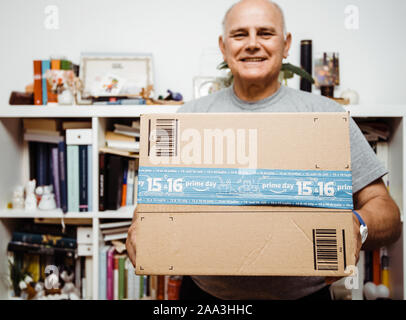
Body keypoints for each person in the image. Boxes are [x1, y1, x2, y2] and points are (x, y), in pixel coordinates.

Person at [126, 0, 401, 300]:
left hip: (305, 296)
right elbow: (156, 200)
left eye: (265, 33)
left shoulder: (326, 117)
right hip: (206, 298)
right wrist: (140, 227)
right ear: (223, 46)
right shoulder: (187, 119)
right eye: (240, 34)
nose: (253, 44)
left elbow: (387, 212)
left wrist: (358, 225)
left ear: (286, 45)